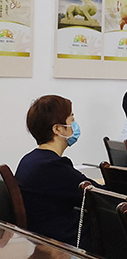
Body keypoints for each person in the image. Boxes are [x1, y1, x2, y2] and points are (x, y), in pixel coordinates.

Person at [15, 95, 94, 247]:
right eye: (72, 120)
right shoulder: (52, 166)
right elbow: (98, 195)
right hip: (63, 244)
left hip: (42, 238)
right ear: (57, 129)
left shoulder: (30, 160)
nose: (75, 125)